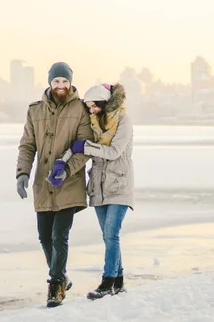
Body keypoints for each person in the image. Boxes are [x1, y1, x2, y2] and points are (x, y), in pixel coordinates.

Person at [15, 62, 93, 308]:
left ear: (71, 83)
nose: (61, 86)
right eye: (57, 82)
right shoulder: (35, 111)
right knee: (43, 236)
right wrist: (22, 173)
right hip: (43, 183)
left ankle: (56, 285)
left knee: (60, 235)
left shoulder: (81, 109)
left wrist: (68, 169)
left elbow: (85, 146)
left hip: (68, 183)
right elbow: (27, 145)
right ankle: (62, 276)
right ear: (50, 83)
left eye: (65, 82)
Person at [68, 83, 134, 300]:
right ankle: (119, 281)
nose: (91, 111)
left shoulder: (123, 122)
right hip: (98, 186)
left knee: (111, 234)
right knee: (108, 237)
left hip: (119, 185)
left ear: (104, 103)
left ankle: (107, 282)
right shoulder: (93, 123)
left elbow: (114, 152)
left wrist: (86, 147)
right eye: (88, 107)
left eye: (94, 106)